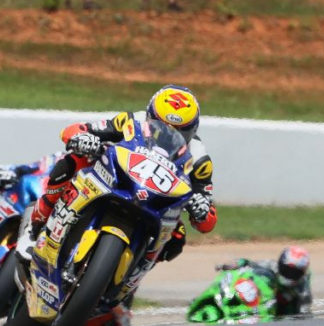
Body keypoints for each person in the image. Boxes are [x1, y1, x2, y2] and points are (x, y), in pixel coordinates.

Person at [17, 84, 216, 266]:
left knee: (177, 238)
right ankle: (35, 227)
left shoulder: (199, 160)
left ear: (193, 129)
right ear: (149, 117)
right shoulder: (130, 121)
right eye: (160, 125)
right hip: (117, 180)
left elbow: (208, 220)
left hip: (157, 204)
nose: (168, 135)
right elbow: (77, 129)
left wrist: (202, 210)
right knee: (73, 161)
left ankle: (127, 284)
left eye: (180, 131)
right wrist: (83, 138)